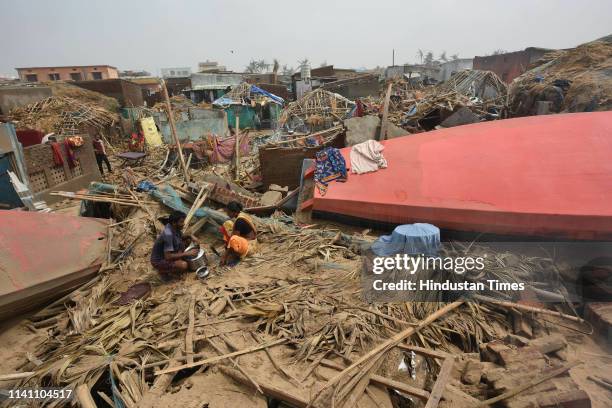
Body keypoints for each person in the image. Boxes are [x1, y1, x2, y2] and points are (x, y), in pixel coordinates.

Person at [151, 211, 199, 279]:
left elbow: (181, 237)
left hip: (169, 252)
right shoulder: (168, 234)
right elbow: (168, 256)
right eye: (181, 222)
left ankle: (178, 260)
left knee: (188, 240)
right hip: (160, 260)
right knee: (184, 265)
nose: (183, 224)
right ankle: (163, 271)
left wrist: (191, 236)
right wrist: (187, 253)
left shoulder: (174, 227)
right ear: (174, 223)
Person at [220, 201, 258, 266]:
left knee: (233, 240)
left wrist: (225, 256)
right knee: (227, 224)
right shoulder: (242, 215)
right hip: (252, 240)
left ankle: (236, 256)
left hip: (250, 246)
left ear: (233, 212)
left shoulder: (239, 221)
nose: (227, 214)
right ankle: (231, 251)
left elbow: (234, 240)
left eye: (228, 212)